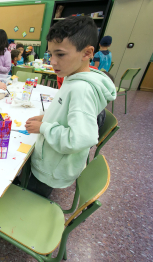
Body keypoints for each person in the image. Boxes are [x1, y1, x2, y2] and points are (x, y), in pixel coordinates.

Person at [23, 16, 116, 198]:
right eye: (50, 54)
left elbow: (80, 139)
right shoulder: (73, 75)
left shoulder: (81, 89)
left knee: (33, 196)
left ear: (87, 53)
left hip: (51, 169)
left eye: (61, 54)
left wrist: (44, 127)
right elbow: (66, 111)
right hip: (51, 158)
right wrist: (46, 117)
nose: (53, 61)